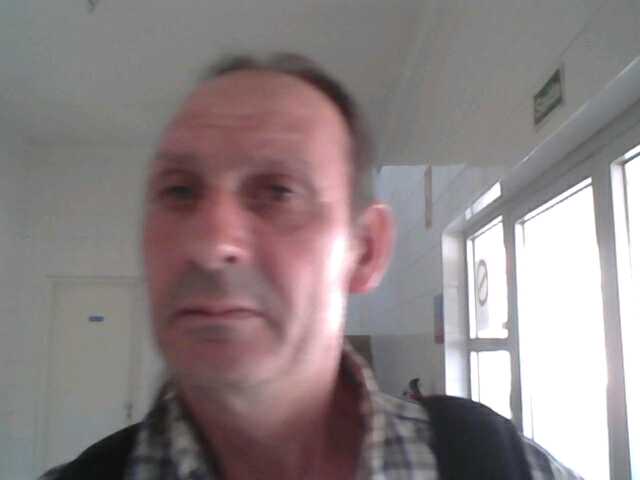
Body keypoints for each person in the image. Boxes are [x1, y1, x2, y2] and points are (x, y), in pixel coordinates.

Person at [40, 53, 581, 479]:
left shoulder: (494, 463)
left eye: (278, 191)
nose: (210, 243)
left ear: (364, 251)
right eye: (179, 190)